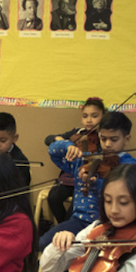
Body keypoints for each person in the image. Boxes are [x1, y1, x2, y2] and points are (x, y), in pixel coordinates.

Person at [41, 111, 136, 251]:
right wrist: (68, 146)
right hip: (80, 221)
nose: (108, 144)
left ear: (126, 139)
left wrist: (96, 184)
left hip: (109, 225)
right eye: (103, 139)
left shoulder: (129, 166)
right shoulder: (87, 159)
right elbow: (53, 152)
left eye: (114, 139)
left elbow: (123, 198)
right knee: (45, 243)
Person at [43, 97, 107, 226]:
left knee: (75, 208)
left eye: (94, 116)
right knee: (53, 197)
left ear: (103, 116)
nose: (89, 120)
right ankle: (62, 224)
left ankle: (67, 227)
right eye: (85, 116)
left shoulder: (104, 136)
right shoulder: (76, 133)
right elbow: (48, 139)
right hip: (69, 176)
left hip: (86, 179)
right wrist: (63, 142)